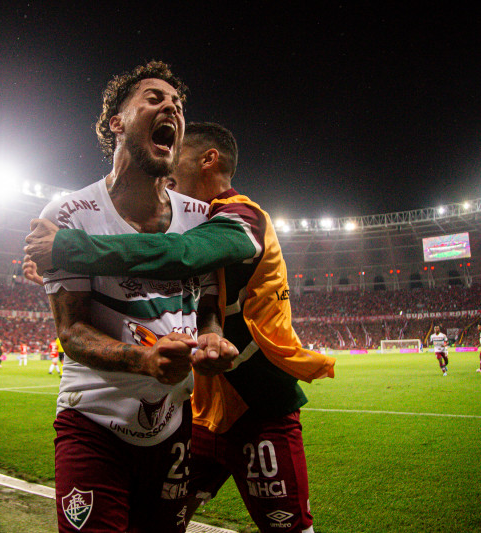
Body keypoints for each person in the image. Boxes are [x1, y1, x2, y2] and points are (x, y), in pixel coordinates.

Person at [25, 122, 336, 533]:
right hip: (201, 410)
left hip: (260, 404)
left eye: (179, 156)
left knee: (289, 527)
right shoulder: (186, 219)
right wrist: (70, 277)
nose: (168, 167)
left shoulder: (243, 215)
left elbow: (182, 255)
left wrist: (68, 247)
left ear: (208, 159)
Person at [33, 62, 238, 532]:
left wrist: (210, 338)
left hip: (174, 424)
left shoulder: (201, 218)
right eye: (154, 98)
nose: (172, 108)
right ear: (117, 123)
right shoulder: (68, 214)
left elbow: (207, 306)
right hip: (93, 421)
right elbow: (72, 332)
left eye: (178, 104)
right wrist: (144, 360)